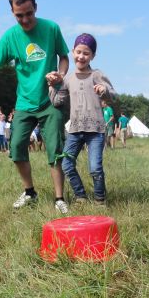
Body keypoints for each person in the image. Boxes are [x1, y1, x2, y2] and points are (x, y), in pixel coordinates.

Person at [0, 0, 70, 213]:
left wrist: (60, 75)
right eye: (19, 15)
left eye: (29, 13)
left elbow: (64, 57)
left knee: (55, 149)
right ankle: (29, 192)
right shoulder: (11, 37)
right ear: (12, 13)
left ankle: (59, 199)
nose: (25, 19)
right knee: (16, 147)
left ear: (36, 8)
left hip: (49, 101)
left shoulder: (51, 29)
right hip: (24, 103)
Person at [49, 33, 116, 206]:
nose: (81, 56)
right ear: (72, 52)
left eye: (86, 53)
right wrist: (51, 85)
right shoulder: (68, 78)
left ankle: (100, 199)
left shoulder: (96, 74)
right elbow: (57, 101)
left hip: (95, 131)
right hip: (75, 130)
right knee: (66, 165)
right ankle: (81, 196)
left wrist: (104, 89)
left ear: (93, 55)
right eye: (78, 52)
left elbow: (113, 94)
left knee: (95, 168)